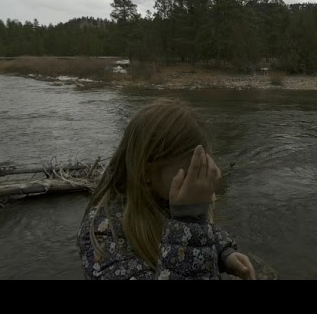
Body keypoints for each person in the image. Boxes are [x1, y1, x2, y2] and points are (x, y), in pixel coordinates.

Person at [77, 98, 256, 280]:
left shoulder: (165, 198)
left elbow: (205, 229)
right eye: (191, 172)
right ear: (146, 171)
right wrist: (188, 220)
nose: (199, 183)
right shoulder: (103, 233)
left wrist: (223, 253)